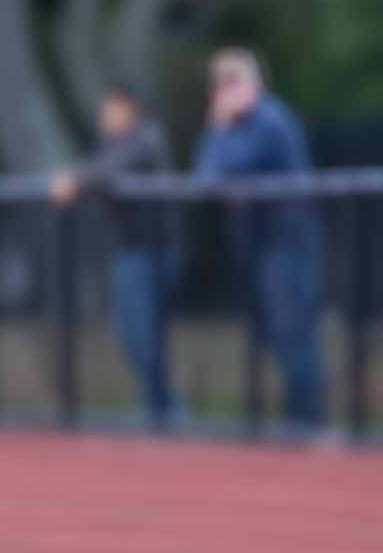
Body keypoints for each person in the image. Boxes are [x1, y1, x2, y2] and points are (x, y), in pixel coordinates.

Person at [193, 47, 324, 429]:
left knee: (291, 324)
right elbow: (204, 180)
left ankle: (305, 417)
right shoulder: (232, 127)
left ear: (254, 82)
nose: (224, 90)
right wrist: (218, 130)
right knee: (270, 328)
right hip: (258, 240)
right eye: (218, 82)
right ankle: (297, 414)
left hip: (289, 238)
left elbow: (230, 166)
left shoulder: (269, 121)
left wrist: (217, 128)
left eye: (233, 80)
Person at [51, 85, 178, 425]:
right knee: (127, 332)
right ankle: (160, 407)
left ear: (131, 109)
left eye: (111, 109)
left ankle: (165, 409)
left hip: (152, 251)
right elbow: (101, 166)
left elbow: (107, 170)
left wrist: (75, 181)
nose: (104, 117)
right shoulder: (114, 144)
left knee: (142, 333)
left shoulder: (146, 138)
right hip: (131, 251)